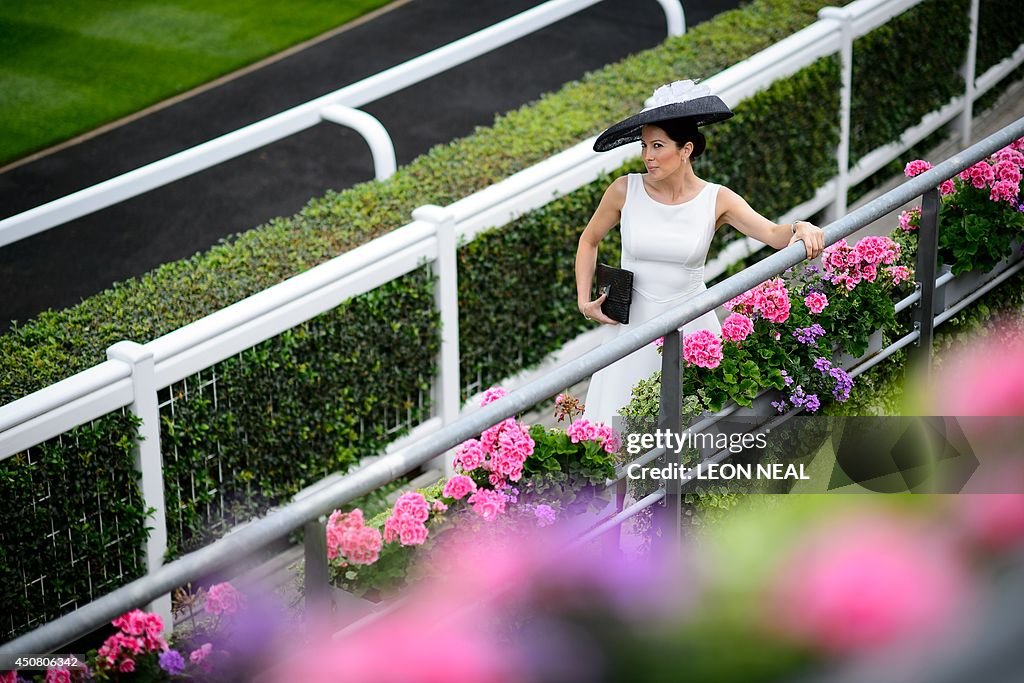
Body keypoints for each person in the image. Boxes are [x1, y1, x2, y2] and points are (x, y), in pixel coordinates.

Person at [575, 80, 825, 426]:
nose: (648, 156)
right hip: (629, 333)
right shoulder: (623, 190)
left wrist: (801, 226)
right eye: (644, 145)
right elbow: (588, 241)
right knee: (618, 433)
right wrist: (583, 300)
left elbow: (771, 233)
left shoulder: (717, 199)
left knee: (693, 433)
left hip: (692, 330)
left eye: (658, 145)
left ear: (686, 149)